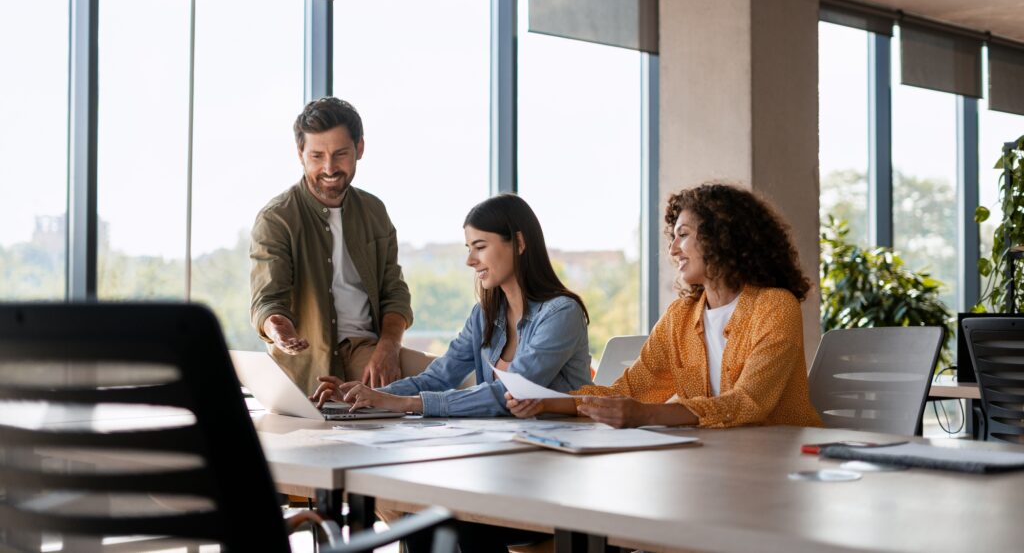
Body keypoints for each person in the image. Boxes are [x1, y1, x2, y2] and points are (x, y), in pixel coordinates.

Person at [507, 182, 823, 429]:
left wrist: (648, 415)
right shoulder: (680, 317)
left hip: (784, 457)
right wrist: (547, 402)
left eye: (683, 235)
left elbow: (749, 402)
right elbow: (628, 391)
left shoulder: (775, 306)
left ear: (724, 237)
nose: (673, 249)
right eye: (672, 237)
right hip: (716, 458)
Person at [310, 193, 592, 419]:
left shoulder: (561, 314)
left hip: (561, 449)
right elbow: (438, 377)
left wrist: (402, 403)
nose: (470, 260)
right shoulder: (484, 315)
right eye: (468, 248)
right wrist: (362, 395)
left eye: (480, 247)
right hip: (506, 445)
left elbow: (506, 393)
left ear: (518, 242)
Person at [250, 97, 429, 395]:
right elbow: (268, 301)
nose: (329, 168)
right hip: (308, 362)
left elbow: (394, 292)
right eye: (317, 156)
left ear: (360, 149)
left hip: (367, 351)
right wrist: (277, 328)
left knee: (459, 380)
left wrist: (388, 348)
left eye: (340, 154)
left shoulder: (374, 211)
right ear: (300, 154)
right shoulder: (277, 218)